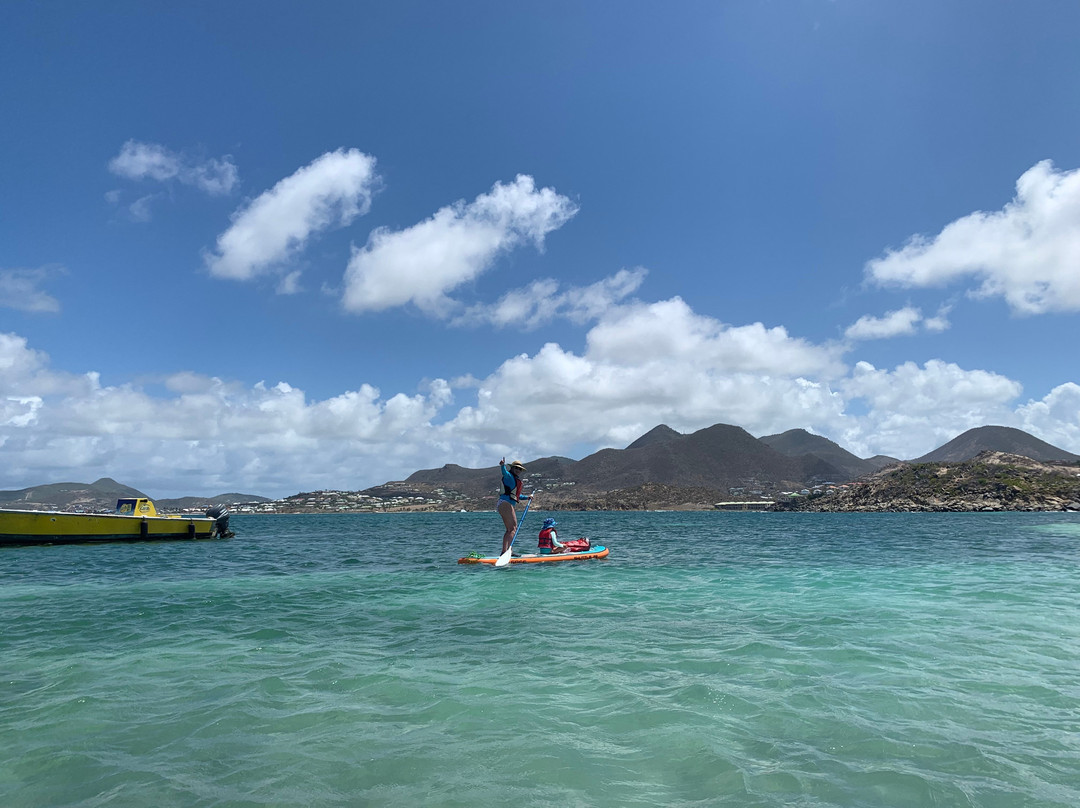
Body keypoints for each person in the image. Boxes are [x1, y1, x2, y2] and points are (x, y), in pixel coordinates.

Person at [497, 458, 531, 555]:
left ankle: (504, 551)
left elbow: (516, 495)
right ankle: (510, 551)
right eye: (515, 468)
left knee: (509, 529)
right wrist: (502, 465)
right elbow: (504, 473)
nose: (517, 470)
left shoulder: (514, 480)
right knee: (513, 528)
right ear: (512, 468)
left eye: (519, 469)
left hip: (502, 503)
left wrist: (527, 497)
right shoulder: (509, 476)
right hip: (506, 503)